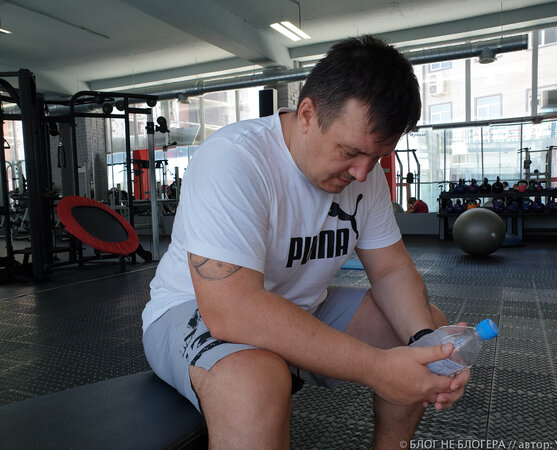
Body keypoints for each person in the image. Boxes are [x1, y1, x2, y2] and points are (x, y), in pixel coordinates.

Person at [142, 35, 470, 449]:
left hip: (300, 307)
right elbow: (232, 311)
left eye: (376, 157)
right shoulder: (234, 158)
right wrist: (378, 368)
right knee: (254, 384)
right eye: (350, 152)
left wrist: (422, 341)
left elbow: (390, 269)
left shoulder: (364, 175)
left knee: (428, 336)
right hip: (195, 309)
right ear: (308, 115)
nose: (362, 173)